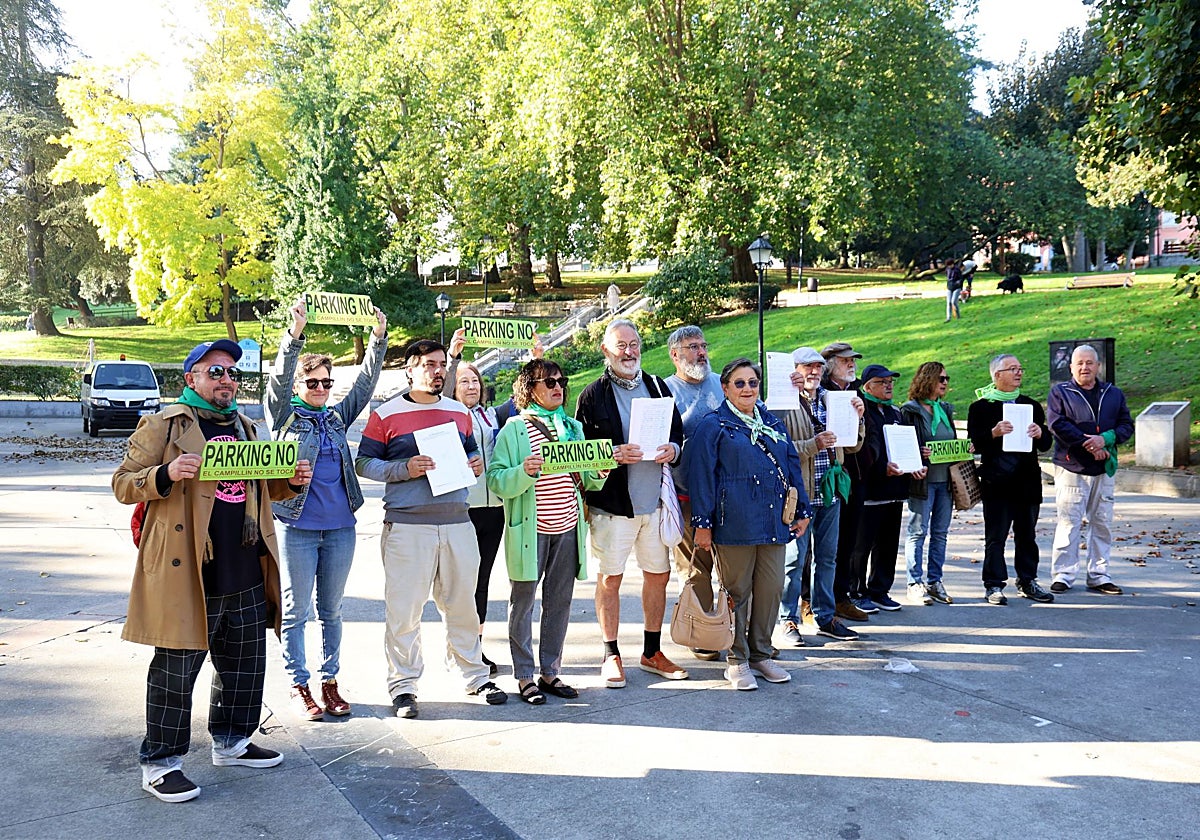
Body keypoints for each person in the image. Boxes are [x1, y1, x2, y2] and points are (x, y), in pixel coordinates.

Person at [112, 339, 313, 803]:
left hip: (244, 561)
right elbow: (123, 483)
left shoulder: (245, 427)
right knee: (175, 671)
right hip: (189, 569)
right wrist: (166, 473)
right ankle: (161, 763)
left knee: (244, 664)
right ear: (191, 379)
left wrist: (289, 480)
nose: (227, 380)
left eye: (231, 373)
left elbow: (262, 490)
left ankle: (232, 741)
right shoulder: (164, 425)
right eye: (215, 372)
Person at [355, 339, 507, 720]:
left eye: (442, 364)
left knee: (463, 605)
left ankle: (473, 674)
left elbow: (472, 452)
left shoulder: (459, 412)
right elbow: (363, 463)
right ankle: (403, 686)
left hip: (458, 521)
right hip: (409, 526)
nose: (437, 371)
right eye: (428, 365)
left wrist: (473, 464)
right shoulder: (386, 414)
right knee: (404, 611)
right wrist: (403, 469)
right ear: (409, 369)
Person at [265, 298, 387, 721]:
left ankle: (330, 681)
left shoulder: (335, 418)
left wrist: (377, 340)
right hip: (296, 525)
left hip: (340, 528)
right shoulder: (282, 417)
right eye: (312, 383)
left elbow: (364, 388)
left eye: (325, 383)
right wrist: (294, 336)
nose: (321, 389)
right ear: (300, 386)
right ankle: (300, 685)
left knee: (331, 610)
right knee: (296, 611)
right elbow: (278, 380)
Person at [486, 360, 609, 704]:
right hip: (532, 531)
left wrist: (599, 470)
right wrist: (523, 471)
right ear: (530, 389)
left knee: (560, 604)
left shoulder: (572, 428)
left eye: (561, 380)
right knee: (522, 604)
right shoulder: (514, 429)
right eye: (549, 381)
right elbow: (496, 479)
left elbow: (587, 480)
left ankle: (550, 672)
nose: (558, 387)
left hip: (568, 528)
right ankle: (525, 677)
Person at [575, 318, 687, 688]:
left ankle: (652, 652)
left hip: (654, 503)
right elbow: (580, 453)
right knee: (611, 579)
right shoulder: (592, 395)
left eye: (634, 344)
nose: (630, 351)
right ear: (606, 351)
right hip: (613, 508)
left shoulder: (657, 386)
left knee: (659, 575)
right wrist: (610, 452)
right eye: (621, 345)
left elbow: (677, 436)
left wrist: (673, 449)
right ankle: (611, 654)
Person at [690, 358, 812, 691]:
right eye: (740, 383)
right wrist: (703, 524)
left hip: (773, 521)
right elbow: (701, 478)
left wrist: (802, 510)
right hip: (734, 525)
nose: (748, 388)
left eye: (753, 382)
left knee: (771, 589)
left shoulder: (772, 422)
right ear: (726, 388)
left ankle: (760, 653)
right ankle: (737, 658)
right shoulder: (712, 425)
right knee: (737, 592)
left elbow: (791, 467)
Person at [778, 347, 864, 644]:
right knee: (794, 559)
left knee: (828, 558)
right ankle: (787, 619)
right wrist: (814, 444)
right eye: (806, 367)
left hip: (829, 493)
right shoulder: (782, 403)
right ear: (794, 371)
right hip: (798, 495)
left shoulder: (833, 400)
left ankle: (825, 617)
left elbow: (852, 446)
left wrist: (859, 419)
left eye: (817, 367)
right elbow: (779, 449)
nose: (813, 372)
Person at [967, 354, 1055, 605]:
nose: (1018, 373)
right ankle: (993, 584)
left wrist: (1041, 433)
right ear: (997, 375)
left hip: (1027, 481)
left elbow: (1047, 444)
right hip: (997, 482)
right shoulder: (981, 407)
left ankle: (1028, 580)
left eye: (1020, 368)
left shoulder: (1031, 406)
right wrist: (993, 433)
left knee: (1027, 535)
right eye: (1012, 369)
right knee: (996, 536)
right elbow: (973, 444)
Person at [1047, 344, 1134, 595]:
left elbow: (1126, 425)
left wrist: (1106, 439)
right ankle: (1063, 574)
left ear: (1098, 366)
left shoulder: (1113, 393)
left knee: (1102, 521)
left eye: (1090, 363)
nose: (1085, 367)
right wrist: (1090, 444)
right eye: (1079, 363)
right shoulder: (1060, 393)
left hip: (1104, 469)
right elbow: (1057, 424)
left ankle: (1099, 574)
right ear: (1071, 367)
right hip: (1072, 466)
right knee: (1069, 522)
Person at [664, 325, 725, 661]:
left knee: (733, 566)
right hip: (687, 494)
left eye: (703, 345)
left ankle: (732, 627)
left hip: (729, 494)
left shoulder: (723, 383)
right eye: (691, 347)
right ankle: (702, 632)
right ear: (675, 354)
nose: (701, 352)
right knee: (696, 567)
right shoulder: (665, 391)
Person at [849, 364, 927, 613]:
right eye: (882, 382)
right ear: (867, 386)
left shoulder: (895, 412)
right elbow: (861, 449)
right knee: (861, 546)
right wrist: (883, 468)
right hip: (871, 490)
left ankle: (880, 590)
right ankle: (856, 592)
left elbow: (905, 444)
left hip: (894, 491)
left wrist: (918, 460)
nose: (889, 385)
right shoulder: (862, 410)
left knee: (888, 545)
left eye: (890, 381)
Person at [453, 361, 505, 676]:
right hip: (464, 508)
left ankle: (476, 646)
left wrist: (532, 357)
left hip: (494, 508)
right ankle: (460, 647)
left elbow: (523, 397)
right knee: (463, 581)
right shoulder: (448, 416)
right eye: (464, 382)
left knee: (482, 580)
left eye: (475, 381)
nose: (472, 386)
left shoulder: (491, 415)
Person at [899, 362, 966, 606]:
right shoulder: (910, 411)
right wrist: (918, 452)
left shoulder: (944, 409)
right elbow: (902, 444)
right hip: (923, 482)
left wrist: (963, 449)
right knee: (918, 532)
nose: (945, 383)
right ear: (927, 379)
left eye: (947, 379)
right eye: (941, 379)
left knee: (940, 533)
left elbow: (950, 442)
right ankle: (914, 583)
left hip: (945, 481)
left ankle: (935, 581)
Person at [819, 342, 871, 623]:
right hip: (824, 475)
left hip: (852, 476)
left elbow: (861, 437)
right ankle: (810, 600)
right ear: (829, 363)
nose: (852, 364)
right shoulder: (819, 392)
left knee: (848, 540)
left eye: (853, 360)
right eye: (845, 360)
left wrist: (861, 416)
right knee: (821, 546)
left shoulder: (855, 391)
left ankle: (841, 597)